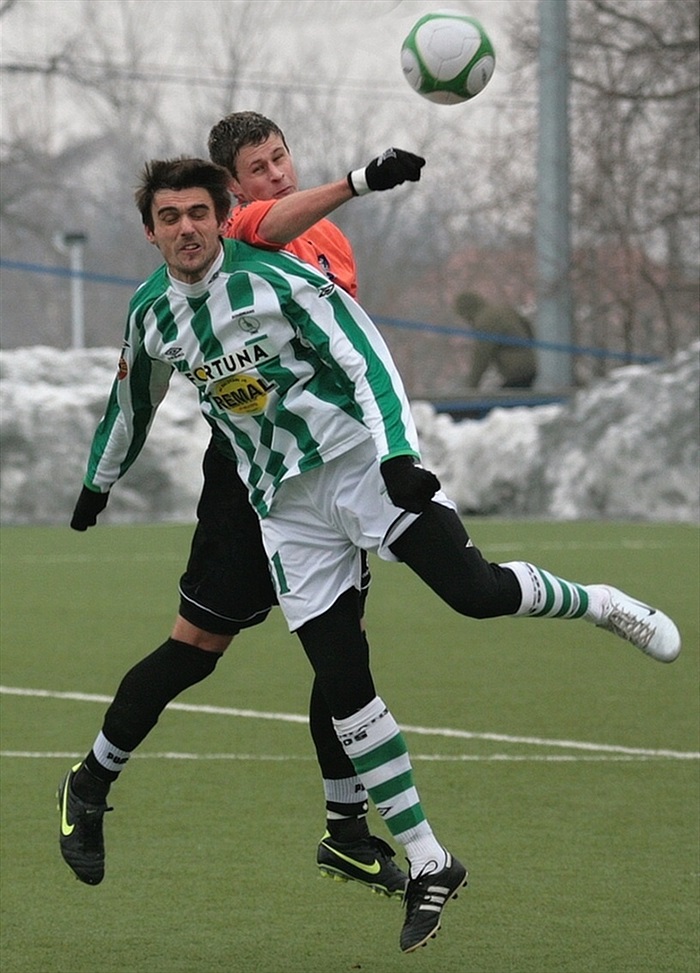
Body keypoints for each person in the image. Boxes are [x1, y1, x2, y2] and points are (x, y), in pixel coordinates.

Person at [63, 158, 680, 953]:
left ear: (223, 218)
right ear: (150, 230)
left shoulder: (278, 279)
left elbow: (366, 355)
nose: (185, 228)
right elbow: (132, 401)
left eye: (198, 214)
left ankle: (600, 601)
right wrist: (98, 482)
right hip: (283, 509)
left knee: (476, 591)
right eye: (169, 217)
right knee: (342, 679)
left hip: (357, 465)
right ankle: (428, 857)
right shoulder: (151, 313)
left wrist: (397, 452)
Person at [60, 114, 426, 900]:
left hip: (327, 467)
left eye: (281, 159)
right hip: (247, 479)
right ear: (233, 197)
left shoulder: (326, 243)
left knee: (343, 655)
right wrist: (100, 482)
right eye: (258, 170)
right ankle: (89, 783)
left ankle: (349, 832)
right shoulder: (245, 231)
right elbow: (133, 400)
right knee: (194, 649)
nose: (277, 179)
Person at [455, 291, 538, 390]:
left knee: (508, 401)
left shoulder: (484, 321)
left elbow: (482, 356)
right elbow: (527, 326)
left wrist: (471, 386)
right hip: (531, 364)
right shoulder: (503, 309)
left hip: (515, 371)